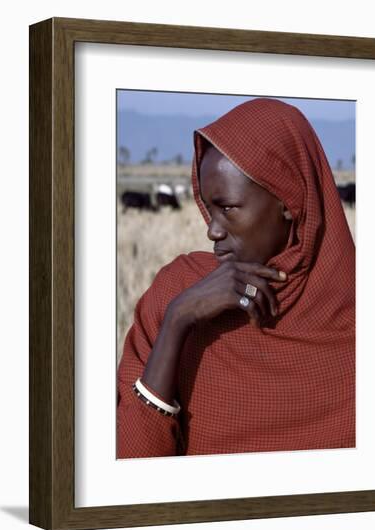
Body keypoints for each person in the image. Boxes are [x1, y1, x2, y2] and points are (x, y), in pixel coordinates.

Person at [116, 97, 355, 459]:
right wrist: (177, 322)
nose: (212, 230)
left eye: (227, 208)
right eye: (209, 209)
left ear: (289, 202)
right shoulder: (178, 292)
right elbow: (128, 469)